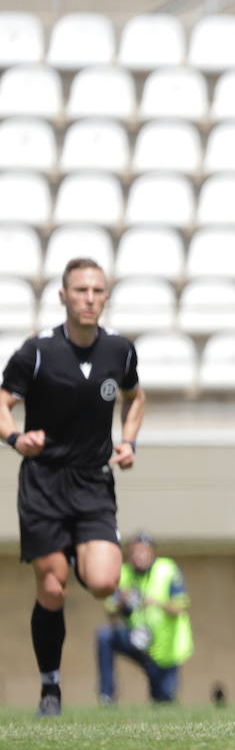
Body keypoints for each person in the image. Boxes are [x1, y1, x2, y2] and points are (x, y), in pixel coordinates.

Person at [0, 257, 144, 717]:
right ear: (63, 297)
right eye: (80, 290)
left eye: (97, 291)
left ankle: (83, 556)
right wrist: (15, 438)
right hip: (44, 482)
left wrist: (128, 442)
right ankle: (51, 686)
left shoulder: (120, 351)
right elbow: (2, 403)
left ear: (105, 297)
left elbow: (135, 397)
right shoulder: (36, 352)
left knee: (104, 582)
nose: (89, 298)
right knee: (53, 589)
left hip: (93, 482)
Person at [96, 531, 192, 705]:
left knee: (163, 699)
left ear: (152, 553)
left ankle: (163, 694)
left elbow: (180, 607)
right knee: (105, 637)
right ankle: (106, 696)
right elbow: (110, 611)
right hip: (138, 640)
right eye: (134, 552)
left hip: (164, 649)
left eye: (143, 552)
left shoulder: (168, 569)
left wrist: (155, 603)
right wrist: (121, 601)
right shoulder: (123, 573)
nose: (138, 556)